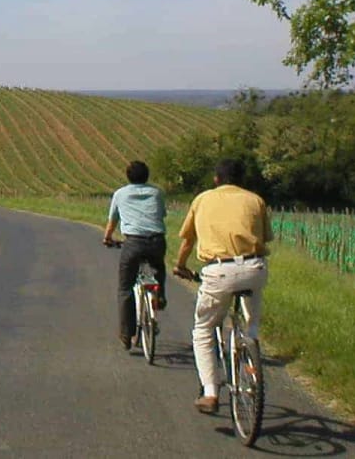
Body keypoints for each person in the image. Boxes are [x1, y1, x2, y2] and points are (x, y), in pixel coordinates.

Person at [173, 157, 273, 413]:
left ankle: (210, 392)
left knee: (204, 329)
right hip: (254, 267)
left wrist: (180, 265)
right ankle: (249, 353)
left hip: (218, 270)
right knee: (251, 322)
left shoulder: (202, 199)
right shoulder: (255, 200)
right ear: (243, 179)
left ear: (216, 179)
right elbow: (265, 238)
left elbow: (187, 241)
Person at [103, 160, 167, 350]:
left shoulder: (120, 194)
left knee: (125, 288)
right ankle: (159, 296)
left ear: (128, 177)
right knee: (159, 267)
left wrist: (107, 238)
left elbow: (113, 220)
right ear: (147, 175)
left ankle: (126, 333)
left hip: (133, 243)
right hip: (156, 241)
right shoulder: (157, 192)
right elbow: (162, 215)